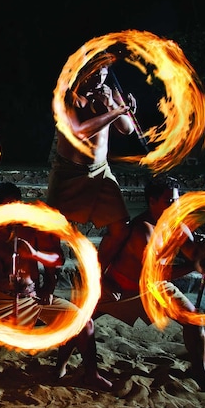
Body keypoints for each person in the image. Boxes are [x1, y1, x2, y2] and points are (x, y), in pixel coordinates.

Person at [0, 182, 112, 397]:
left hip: (34, 298)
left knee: (82, 323)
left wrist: (38, 262)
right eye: (6, 205)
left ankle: (84, 372)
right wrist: (10, 282)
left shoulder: (31, 227)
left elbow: (57, 259)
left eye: (15, 203)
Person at [94, 174, 205, 382]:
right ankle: (62, 365)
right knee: (81, 319)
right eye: (169, 202)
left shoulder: (178, 227)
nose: (175, 207)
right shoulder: (143, 230)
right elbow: (154, 272)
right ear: (152, 202)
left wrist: (202, 252)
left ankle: (199, 370)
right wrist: (192, 266)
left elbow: (193, 255)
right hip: (122, 285)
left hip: (157, 287)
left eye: (176, 201)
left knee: (194, 320)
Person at [45, 54, 137, 273]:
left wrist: (115, 104)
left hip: (101, 172)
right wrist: (115, 111)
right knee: (53, 230)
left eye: (103, 72)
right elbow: (79, 132)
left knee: (120, 227)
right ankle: (49, 280)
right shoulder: (67, 97)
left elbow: (127, 129)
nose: (99, 77)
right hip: (69, 173)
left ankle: (97, 274)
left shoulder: (108, 94)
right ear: (82, 72)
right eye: (94, 72)